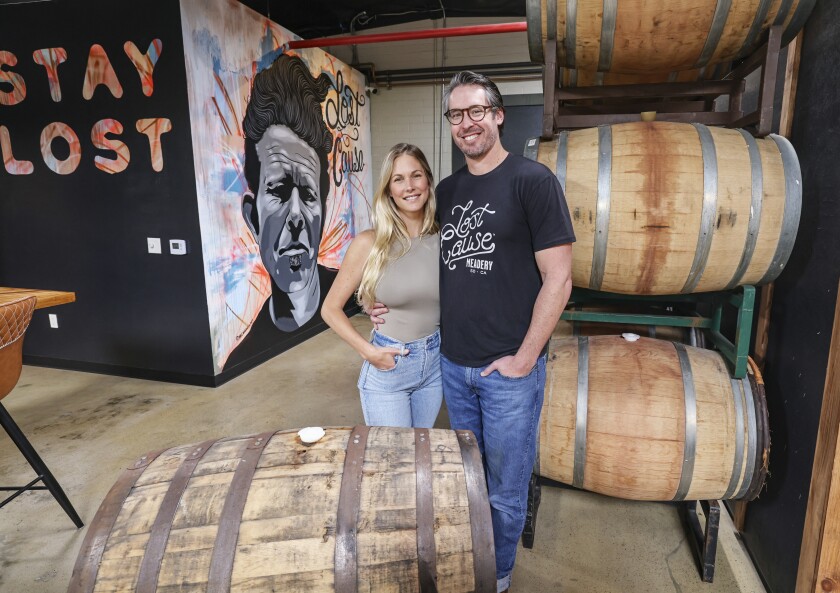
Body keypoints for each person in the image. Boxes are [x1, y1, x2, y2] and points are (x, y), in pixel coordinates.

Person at [372, 72, 575, 592]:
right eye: (456, 115)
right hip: (453, 367)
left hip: (509, 371)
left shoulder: (533, 182)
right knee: (466, 481)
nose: (466, 124)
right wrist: (380, 300)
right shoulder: (448, 190)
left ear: (498, 114)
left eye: (476, 111)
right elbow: (415, 253)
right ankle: (473, 565)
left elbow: (560, 277)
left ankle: (497, 579)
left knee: (505, 491)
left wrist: (526, 358)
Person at [322, 143, 442, 428]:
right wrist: (369, 352)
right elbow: (330, 310)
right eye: (398, 179)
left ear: (428, 180)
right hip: (390, 365)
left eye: (416, 175)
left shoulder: (443, 237)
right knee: (394, 463)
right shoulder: (370, 243)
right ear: (389, 190)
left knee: (419, 456)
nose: (409, 187)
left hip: (435, 365)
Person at [241, 52, 333, 334]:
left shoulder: (350, 295)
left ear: (323, 210)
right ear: (252, 218)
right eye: (279, 192)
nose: (296, 216)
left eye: (307, 194)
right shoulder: (246, 349)